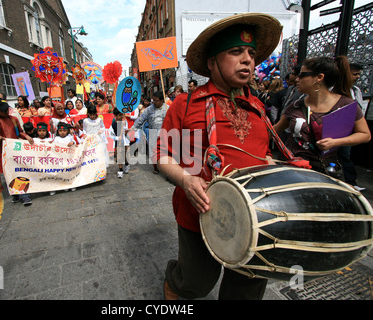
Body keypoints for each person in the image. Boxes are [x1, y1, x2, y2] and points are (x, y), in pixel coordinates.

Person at [156, 13, 283, 300]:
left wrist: (273, 169)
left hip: (255, 217)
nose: (248, 59)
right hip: (199, 211)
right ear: (212, 62)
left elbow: (263, 154)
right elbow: (161, 154)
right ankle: (175, 282)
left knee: (248, 285)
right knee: (197, 282)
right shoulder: (184, 103)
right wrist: (186, 181)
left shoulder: (257, 107)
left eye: (251, 53)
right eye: (235, 51)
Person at [274, 56, 371, 176]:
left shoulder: (346, 105)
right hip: (294, 170)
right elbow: (273, 132)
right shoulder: (295, 106)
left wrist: (336, 142)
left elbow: (365, 135)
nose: (297, 79)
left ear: (319, 77)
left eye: (302, 75)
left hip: (325, 173)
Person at [0, 98, 34, 206]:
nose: (6, 112)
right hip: (1, 151)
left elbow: (20, 132)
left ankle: (24, 195)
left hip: (15, 150)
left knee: (19, 171)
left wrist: (26, 136)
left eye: (7, 109)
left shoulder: (13, 119)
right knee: (8, 173)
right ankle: (15, 194)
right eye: (3, 110)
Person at [337, 63, 370, 191]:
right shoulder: (334, 90)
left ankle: (351, 181)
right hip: (334, 129)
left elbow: (360, 109)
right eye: (354, 74)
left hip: (348, 130)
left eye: (358, 74)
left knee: (345, 155)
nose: (357, 77)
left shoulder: (356, 90)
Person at [129, 90, 168, 174]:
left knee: (165, 152)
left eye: (156, 100)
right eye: (153, 100)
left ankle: (166, 168)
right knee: (153, 152)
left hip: (165, 134)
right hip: (153, 133)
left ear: (162, 100)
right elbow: (140, 119)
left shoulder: (167, 108)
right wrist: (133, 128)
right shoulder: (149, 109)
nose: (154, 102)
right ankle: (156, 167)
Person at [50, 122, 77, 195]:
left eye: (64, 131)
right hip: (60, 159)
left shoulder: (69, 137)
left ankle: (70, 184)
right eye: (60, 131)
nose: (62, 132)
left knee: (69, 171)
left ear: (67, 131)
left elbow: (74, 142)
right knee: (61, 172)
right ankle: (61, 185)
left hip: (68, 158)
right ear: (58, 131)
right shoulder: (56, 138)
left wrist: (72, 142)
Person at [109, 108, 130, 178]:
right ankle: (120, 170)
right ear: (115, 115)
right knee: (119, 155)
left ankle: (127, 164)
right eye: (119, 115)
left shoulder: (124, 121)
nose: (121, 116)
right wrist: (117, 138)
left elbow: (126, 129)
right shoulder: (112, 123)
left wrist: (124, 129)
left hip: (125, 140)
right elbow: (110, 135)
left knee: (126, 155)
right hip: (117, 140)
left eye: (122, 115)